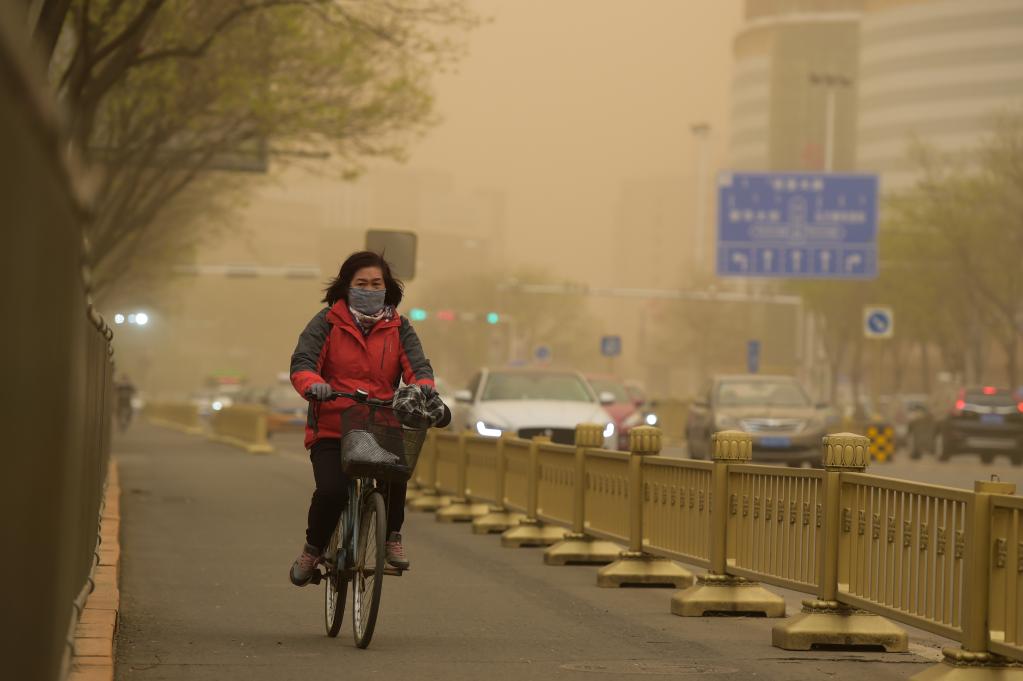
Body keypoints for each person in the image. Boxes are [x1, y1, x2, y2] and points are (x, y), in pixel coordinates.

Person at [287, 251, 442, 586]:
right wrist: (314, 386)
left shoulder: (399, 327)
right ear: (347, 286)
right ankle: (313, 549)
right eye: (362, 284)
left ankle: (391, 537)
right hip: (332, 426)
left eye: (376, 284)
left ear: (387, 288)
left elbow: (419, 368)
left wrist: (423, 389)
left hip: (379, 424)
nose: (369, 290)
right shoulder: (326, 322)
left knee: (396, 474)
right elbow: (303, 364)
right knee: (332, 491)